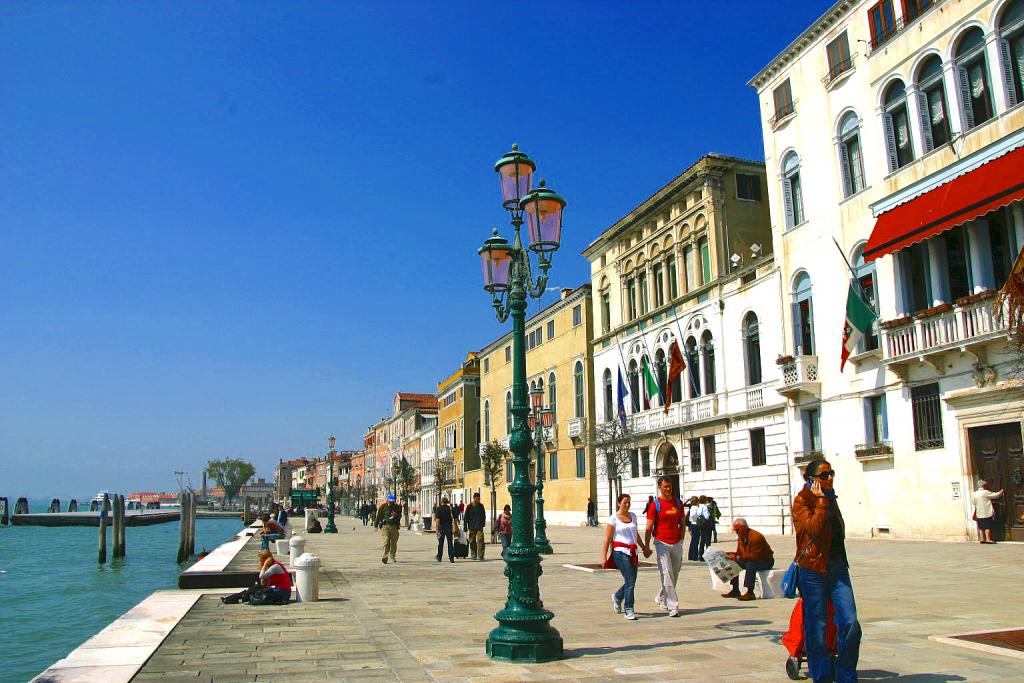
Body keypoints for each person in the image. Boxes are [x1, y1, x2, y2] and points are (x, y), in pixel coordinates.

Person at [793, 458, 861, 683]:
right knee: (817, 624)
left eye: (831, 473)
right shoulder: (802, 501)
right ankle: (821, 676)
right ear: (811, 479)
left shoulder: (832, 498)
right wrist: (821, 501)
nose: (830, 478)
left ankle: (846, 676)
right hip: (812, 569)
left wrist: (826, 499)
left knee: (850, 622)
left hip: (838, 566)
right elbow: (813, 527)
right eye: (824, 475)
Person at [602, 493, 651, 621]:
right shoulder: (613, 518)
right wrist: (603, 557)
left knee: (631, 581)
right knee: (630, 579)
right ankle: (629, 608)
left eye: (629, 502)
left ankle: (618, 596)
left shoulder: (633, 516)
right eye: (625, 503)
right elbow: (607, 539)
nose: (627, 505)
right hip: (620, 552)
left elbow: (635, 534)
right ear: (619, 503)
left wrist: (644, 547)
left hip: (633, 552)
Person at [644, 476, 686, 617]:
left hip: (676, 542)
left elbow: (683, 521)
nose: (668, 489)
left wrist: (682, 538)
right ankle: (672, 606)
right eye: (665, 487)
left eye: (670, 486)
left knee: (675, 572)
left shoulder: (678, 503)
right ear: (659, 487)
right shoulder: (655, 505)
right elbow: (649, 527)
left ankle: (662, 597)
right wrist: (646, 546)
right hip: (661, 542)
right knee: (666, 573)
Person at [721, 518, 774, 601]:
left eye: (737, 530)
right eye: (735, 530)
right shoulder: (741, 537)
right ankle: (735, 590)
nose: (736, 532)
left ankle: (750, 592)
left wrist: (739, 557)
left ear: (744, 528)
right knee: (733, 563)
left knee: (751, 564)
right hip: (750, 559)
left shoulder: (756, 537)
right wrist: (728, 554)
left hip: (765, 561)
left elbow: (755, 556)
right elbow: (739, 553)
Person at [972, 479, 1005, 544]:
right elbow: (995, 495)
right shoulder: (985, 492)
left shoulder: (975, 494)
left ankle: (982, 539)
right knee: (987, 526)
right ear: (984, 485)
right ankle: (988, 539)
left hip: (979, 512)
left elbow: (973, 502)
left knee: (981, 527)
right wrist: (1001, 492)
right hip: (986, 512)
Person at [375, 494, 402, 564]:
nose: (391, 502)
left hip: (394, 526)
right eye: (390, 501)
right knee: (386, 541)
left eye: (392, 501)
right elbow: (378, 516)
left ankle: (392, 556)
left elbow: (399, 516)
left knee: (393, 542)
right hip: (385, 526)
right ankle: (385, 557)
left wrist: (396, 515)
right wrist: (376, 525)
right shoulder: (383, 507)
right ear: (387, 500)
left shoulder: (396, 507)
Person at [464, 492, 487, 560]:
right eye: (476, 499)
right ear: (473, 498)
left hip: (479, 526)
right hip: (471, 526)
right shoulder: (469, 506)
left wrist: (483, 523)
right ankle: (473, 554)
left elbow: (484, 515)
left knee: (480, 540)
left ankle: (481, 554)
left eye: (479, 499)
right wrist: (465, 527)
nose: (478, 500)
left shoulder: (481, 506)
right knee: (472, 541)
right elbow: (466, 517)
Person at [687, 496, 710, 561]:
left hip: (693, 524)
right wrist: (697, 519)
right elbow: (693, 516)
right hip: (695, 525)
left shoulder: (693, 507)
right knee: (695, 541)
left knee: (693, 541)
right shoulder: (695, 508)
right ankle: (694, 556)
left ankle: (691, 555)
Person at [433, 496, 456, 562]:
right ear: (447, 502)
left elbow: (438, 520)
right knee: (450, 542)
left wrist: (437, 529)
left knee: (441, 543)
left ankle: (439, 557)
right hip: (449, 527)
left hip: (441, 528)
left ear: (441, 502)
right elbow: (455, 518)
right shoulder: (450, 508)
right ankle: (451, 558)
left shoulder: (439, 509)